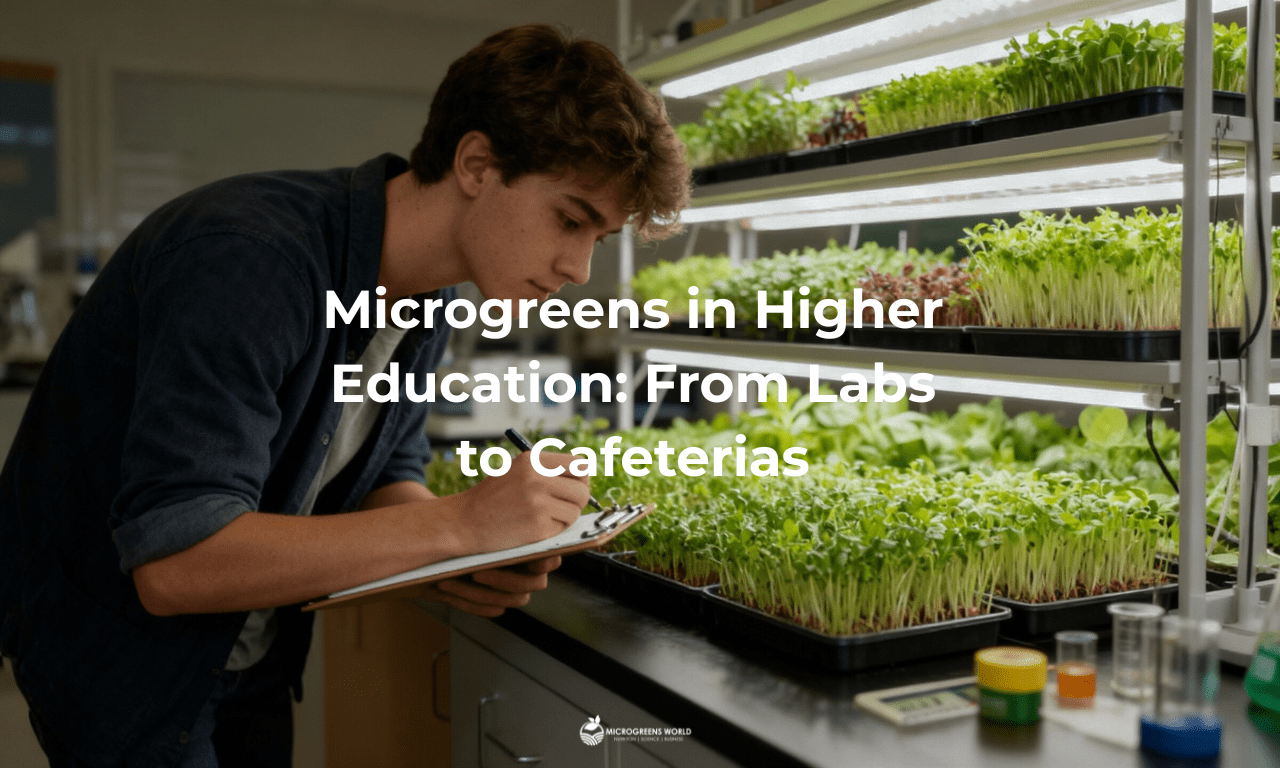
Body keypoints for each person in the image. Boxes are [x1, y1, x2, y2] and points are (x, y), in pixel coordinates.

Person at [0, 23, 689, 768]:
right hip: (123, 665)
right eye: (570, 220)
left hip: (249, 654)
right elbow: (177, 560)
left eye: (599, 238)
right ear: (476, 164)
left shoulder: (429, 297)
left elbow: (386, 475)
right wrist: (459, 525)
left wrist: (464, 554)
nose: (580, 269)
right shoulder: (251, 260)